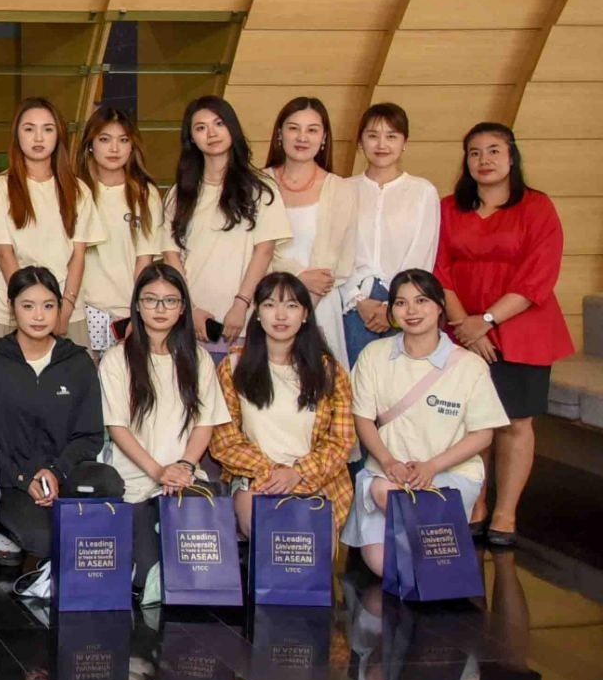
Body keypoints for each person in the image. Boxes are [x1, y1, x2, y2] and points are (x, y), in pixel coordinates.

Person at [435, 123, 572, 547]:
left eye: (494, 150)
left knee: (515, 420)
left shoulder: (537, 207)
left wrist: (488, 320)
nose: (484, 160)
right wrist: (465, 325)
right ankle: (474, 503)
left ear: (512, 157)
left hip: (522, 327)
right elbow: (438, 270)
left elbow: (539, 275)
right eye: (475, 152)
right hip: (461, 328)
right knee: (468, 420)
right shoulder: (447, 208)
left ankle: (505, 513)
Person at [344, 269, 508, 575]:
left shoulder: (469, 365)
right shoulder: (374, 355)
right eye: (401, 303)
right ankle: (438, 550)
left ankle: (434, 548)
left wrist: (432, 467)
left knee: (409, 563)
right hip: (389, 475)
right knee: (385, 567)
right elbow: (362, 418)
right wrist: (388, 461)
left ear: (439, 306)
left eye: (421, 301)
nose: (412, 311)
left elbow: (483, 435)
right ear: (392, 311)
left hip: (449, 476)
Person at [0, 266, 120, 584]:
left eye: (48, 306)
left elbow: (90, 435)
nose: (39, 316)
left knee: (108, 481)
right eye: (28, 306)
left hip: (63, 475)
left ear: (59, 308)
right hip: (12, 481)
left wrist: (56, 471)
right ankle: (9, 533)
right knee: (45, 539)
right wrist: (24, 478)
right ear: (11, 307)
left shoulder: (77, 362)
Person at [95, 263, 230, 599]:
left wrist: (183, 466)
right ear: (137, 305)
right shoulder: (116, 359)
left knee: (198, 577)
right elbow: (117, 427)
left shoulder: (198, 358)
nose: (160, 308)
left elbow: (205, 423)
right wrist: (159, 472)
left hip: (185, 479)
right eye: (150, 299)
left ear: (182, 308)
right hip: (135, 481)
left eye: (170, 301)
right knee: (147, 578)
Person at [210, 272, 354, 538]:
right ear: (257, 313)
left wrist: (297, 473)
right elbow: (224, 440)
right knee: (267, 532)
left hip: (318, 479)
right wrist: (273, 472)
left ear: (305, 314)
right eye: (270, 304)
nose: (280, 315)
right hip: (257, 477)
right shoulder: (233, 367)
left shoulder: (329, 371)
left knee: (309, 542)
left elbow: (341, 440)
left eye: (291, 305)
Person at [164, 96, 290, 354]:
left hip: (245, 317)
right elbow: (170, 255)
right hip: (191, 319)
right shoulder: (180, 194)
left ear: (232, 128)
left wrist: (241, 304)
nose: (211, 133)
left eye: (219, 123)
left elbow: (264, 251)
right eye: (201, 128)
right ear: (191, 138)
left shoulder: (260, 188)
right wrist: (190, 308)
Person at [0, 98, 103, 343]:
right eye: (29, 129)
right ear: (17, 135)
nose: (38, 138)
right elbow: (4, 254)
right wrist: (28, 305)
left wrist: (63, 309)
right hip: (11, 309)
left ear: (58, 135)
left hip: (66, 311)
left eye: (47, 129)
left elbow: (78, 256)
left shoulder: (77, 190)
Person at [341, 103, 440, 365]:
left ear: (404, 142)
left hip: (406, 304)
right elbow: (336, 251)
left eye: (391, 136)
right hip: (354, 303)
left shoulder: (422, 191)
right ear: (360, 141)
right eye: (373, 135)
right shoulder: (343, 189)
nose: (382, 144)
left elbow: (423, 251)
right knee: (356, 377)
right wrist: (357, 299)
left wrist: (395, 305)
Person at [265, 97, 358, 363]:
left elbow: (342, 258)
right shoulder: (257, 184)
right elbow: (250, 249)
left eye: (312, 130)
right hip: (267, 302)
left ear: (324, 138)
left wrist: (305, 306)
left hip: (321, 303)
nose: (302, 137)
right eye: (293, 128)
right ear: (280, 134)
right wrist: (297, 278)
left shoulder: (341, 189)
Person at [75, 106, 163, 355]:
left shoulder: (145, 194)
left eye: (123, 140)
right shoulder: (75, 191)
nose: (114, 149)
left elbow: (144, 262)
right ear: (90, 145)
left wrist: (138, 311)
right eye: (105, 139)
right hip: (81, 310)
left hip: (127, 311)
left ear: (132, 146)